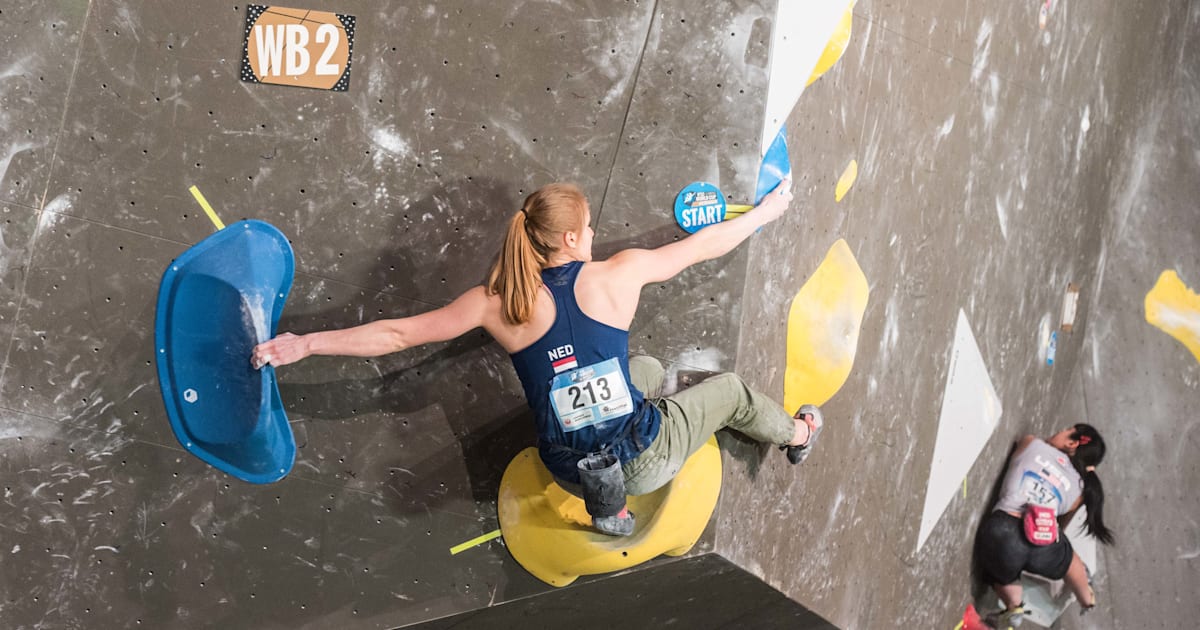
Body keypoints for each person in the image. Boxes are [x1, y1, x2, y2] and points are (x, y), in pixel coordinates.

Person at [250, 179, 822, 535]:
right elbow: (701, 246)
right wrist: (766, 213)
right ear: (570, 240)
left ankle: (604, 504)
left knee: (642, 371)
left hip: (567, 472)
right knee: (731, 394)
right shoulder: (616, 276)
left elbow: (396, 336)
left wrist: (305, 344)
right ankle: (797, 435)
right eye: (589, 227)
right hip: (639, 464)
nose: (594, 233)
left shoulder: (496, 303)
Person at [974, 424, 1114, 627]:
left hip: (1004, 531)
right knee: (1067, 556)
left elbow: (1024, 449)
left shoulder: (1032, 443)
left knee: (999, 571)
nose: (1058, 430)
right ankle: (1086, 597)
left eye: (1066, 429)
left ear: (1072, 443)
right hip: (1043, 544)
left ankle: (1014, 606)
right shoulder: (1079, 489)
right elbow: (1060, 525)